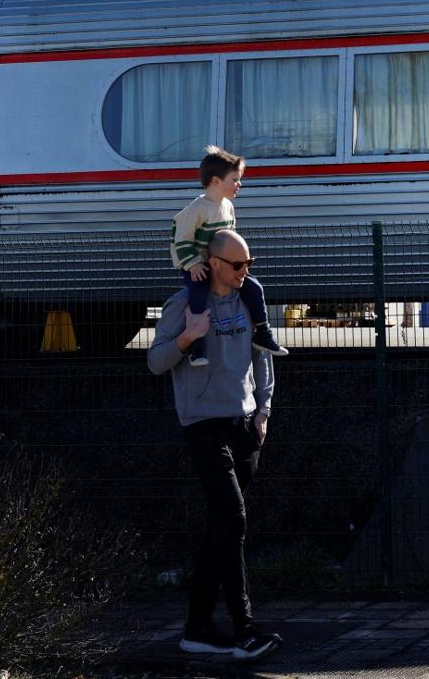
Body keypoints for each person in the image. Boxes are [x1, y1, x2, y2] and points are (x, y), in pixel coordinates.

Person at [149, 230, 281, 662]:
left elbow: (263, 356)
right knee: (234, 519)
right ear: (214, 264)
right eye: (238, 265)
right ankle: (245, 630)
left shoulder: (248, 301)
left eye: (250, 264)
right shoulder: (184, 305)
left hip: (244, 426)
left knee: (219, 531)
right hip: (204, 426)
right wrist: (188, 337)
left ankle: (197, 629)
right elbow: (155, 362)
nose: (246, 272)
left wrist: (263, 411)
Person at [170, 145, 287, 366]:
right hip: (199, 265)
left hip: (222, 266)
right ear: (216, 181)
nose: (239, 184)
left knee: (254, 287)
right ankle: (196, 346)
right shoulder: (197, 209)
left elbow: (229, 239)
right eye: (235, 179)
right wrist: (193, 264)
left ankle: (262, 332)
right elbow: (182, 240)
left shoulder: (228, 207)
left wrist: (238, 263)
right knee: (199, 294)